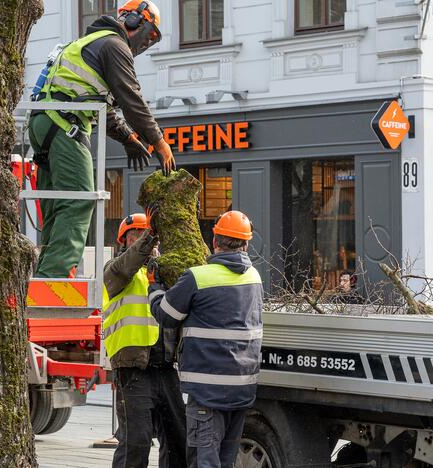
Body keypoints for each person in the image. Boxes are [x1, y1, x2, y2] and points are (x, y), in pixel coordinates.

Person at [29, 0, 177, 278]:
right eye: (150, 35)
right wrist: (158, 141)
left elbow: (100, 104)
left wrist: (127, 138)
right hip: (64, 124)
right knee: (81, 198)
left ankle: (47, 268)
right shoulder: (114, 45)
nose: (147, 43)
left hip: (45, 122)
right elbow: (130, 97)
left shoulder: (90, 42)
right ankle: (55, 274)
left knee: (57, 201)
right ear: (134, 21)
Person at [148, 211, 263, 468]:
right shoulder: (254, 277)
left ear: (215, 241)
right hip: (242, 388)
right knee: (225, 460)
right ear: (246, 244)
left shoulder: (198, 277)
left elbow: (166, 315)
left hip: (208, 391)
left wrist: (154, 288)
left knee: (204, 461)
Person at [102, 211, 187, 468]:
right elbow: (130, 262)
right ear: (123, 242)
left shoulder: (163, 273)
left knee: (178, 441)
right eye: (135, 235)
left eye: (144, 233)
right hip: (134, 370)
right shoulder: (116, 271)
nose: (140, 239)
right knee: (136, 442)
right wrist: (151, 234)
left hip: (165, 368)